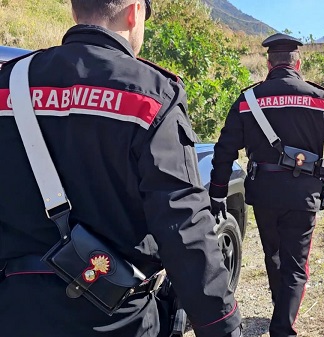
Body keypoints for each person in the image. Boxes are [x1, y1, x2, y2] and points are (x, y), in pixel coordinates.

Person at [0, 1, 242, 336]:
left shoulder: (8, 82)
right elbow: (184, 227)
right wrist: (220, 324)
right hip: (118, 319)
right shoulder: (153, 94)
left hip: (15, 313)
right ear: (135, 12)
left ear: (74, 10)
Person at [209, 33, 324, 337]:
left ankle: (280, 306)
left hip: (263, 193)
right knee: (296, 265)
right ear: (297, 63)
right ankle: (283, 328)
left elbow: (224, 148)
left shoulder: (249, 100)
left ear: (269, 63)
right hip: (304, 194)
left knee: (273, 254)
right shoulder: (319, 98)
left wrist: (218, 190)